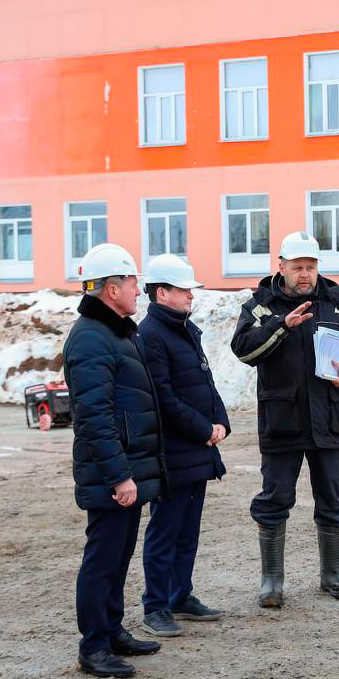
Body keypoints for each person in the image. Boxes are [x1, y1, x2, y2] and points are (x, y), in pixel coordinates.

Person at [230, 231, 339, 608]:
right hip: (282, 421)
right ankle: (272, 582)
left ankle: (333, 575)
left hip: (328, 419)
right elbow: (243, 350)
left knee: (332, 497)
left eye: (311, 267)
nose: (305, 274)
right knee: (274, 498)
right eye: (298, 268)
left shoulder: (336, 302)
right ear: (281, 267)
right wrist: (281, 326)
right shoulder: (261, 305)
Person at [64, 243, 166, 678]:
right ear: (111, 289)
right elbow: (93, 416)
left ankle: (111, 630)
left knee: (118, 556)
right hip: (112, 473)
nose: (138, 291)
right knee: (102, 560)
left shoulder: (117, 331)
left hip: (126, 468)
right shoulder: (91, 337)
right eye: (132, 283)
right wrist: (119, 476)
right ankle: (94, 646)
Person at [137, 254, 231, 637]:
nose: (191, 295)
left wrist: (221, 421)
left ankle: (180, 596)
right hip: (172, 453)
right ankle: (156, 606)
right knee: (165, 531)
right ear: (162, 293)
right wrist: (204, 429)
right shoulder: (151, 335)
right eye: (184, 289)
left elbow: (204, 382)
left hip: (195, 450)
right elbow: (163, 398)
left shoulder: (183, 329)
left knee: (187, 531)